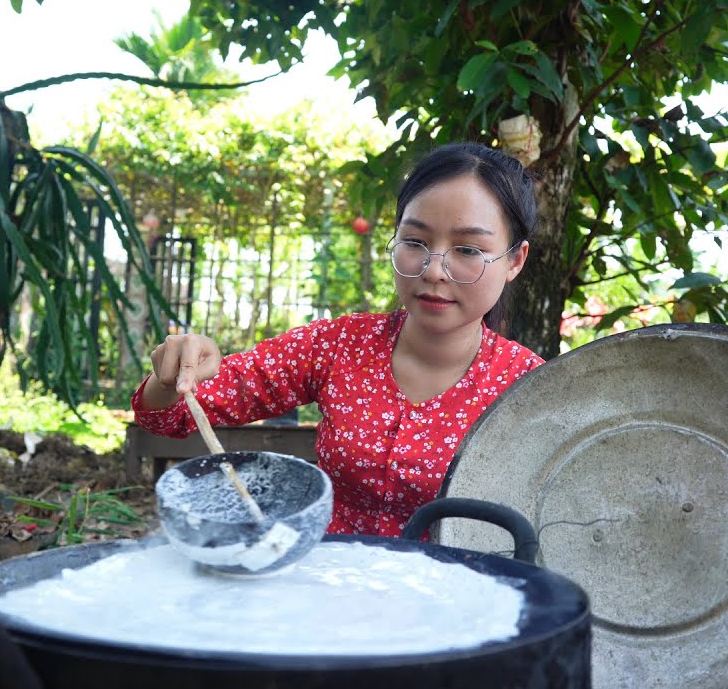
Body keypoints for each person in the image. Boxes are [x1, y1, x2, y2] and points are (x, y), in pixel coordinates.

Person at [132, 142, 544, 537]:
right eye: (415, 242)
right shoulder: (339, 345)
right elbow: (168, 416)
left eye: (468, 249)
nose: (433, 270)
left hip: (462, 599)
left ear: (515, 261)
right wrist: (172, 375)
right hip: (328, 588)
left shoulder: (532, 388)